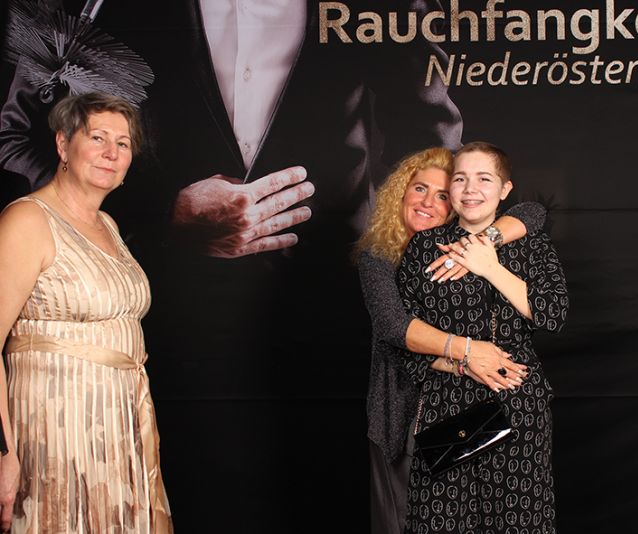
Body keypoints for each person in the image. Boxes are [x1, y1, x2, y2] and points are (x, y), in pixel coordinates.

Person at [0, 1, 463, 528]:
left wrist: (406, 287)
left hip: (330, 337)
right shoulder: (98, 5)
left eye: (119, 142)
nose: (111, 150)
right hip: (169, 348)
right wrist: (168, 214)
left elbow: (432, 148)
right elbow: (18, 138)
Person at [0, 92, 172, 533]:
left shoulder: (108, 225)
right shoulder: (27, 220)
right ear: (63, 144)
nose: (111, 152)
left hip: (117, 430)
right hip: (52, 433)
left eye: (123, 143)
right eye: (97, 138)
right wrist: (3, 453)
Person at [355, 146, 548, 534]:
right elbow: (395, 328)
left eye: (443, 194)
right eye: (419, 189)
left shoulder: (468, 250)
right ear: (400, 194)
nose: (428, 202)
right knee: (399, 520)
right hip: (402, 410)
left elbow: (534, 212)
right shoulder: (379, 257)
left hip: (466, 408)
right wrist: (468, 353)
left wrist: (484, 242)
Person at [397, 142, 569, 534]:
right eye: (460, 179)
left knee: (517, 523)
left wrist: (488, 265)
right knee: (439, 522)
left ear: (505, 189)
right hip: (445, 406)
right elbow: (402, 337)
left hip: (515, 402)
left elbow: (553, 314)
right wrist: (464, 361)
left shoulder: (532, 243)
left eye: (484, 179)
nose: (471, 189)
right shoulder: (424, 247)